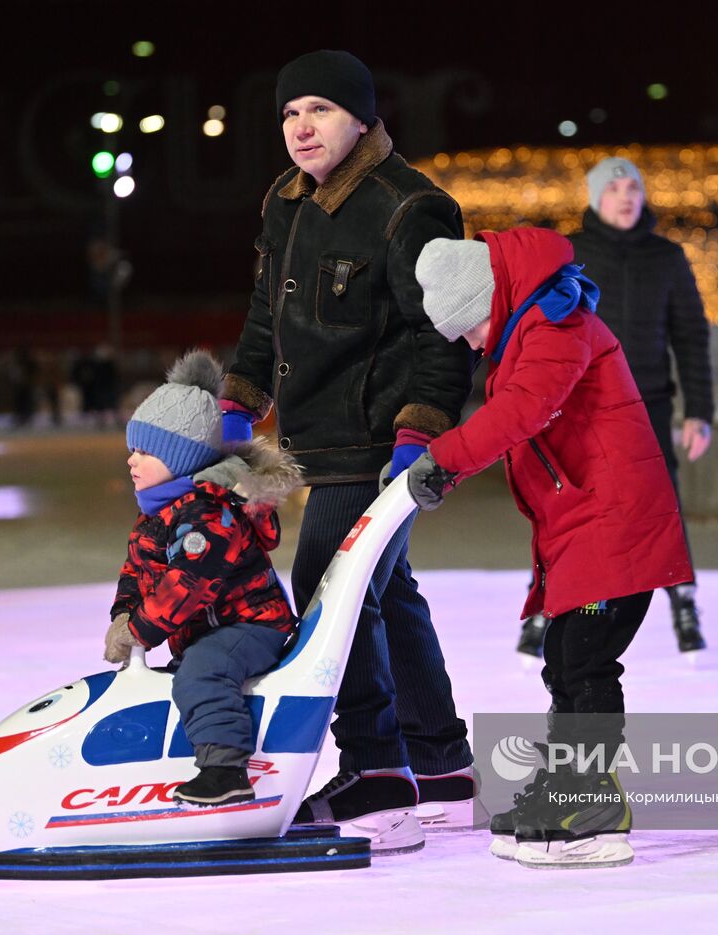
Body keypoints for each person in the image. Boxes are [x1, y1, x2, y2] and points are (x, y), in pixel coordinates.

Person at [221, 50, 476, 852]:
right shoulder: (285, 201)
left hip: (373, 444)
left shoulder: (410, 207)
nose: (302, 127)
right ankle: (440, 766)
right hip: (313, 436)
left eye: (321, 110)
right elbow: (268, 312)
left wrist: (419, 432)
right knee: (385, 592)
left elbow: (444, 334)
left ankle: (377, 778)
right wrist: (240, 399)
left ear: (361, 118)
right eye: (290, 112)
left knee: (329, 588)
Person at [404, 226, 694, 869]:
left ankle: (593, 804)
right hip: (589, 526)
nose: (473, 345)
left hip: (613, 526)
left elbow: (522, 411)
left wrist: (444, 460)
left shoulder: (555, 325)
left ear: (491, 302)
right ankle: (568, 787)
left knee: (582, 660)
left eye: (470, 329)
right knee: (566, 660)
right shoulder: (535, 326)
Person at [104, 350, 303, 806]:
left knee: (203, 672)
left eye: (146, 451)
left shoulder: (207, 513)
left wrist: (140, 631)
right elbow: (137, 569)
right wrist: (123, 613)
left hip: (251, 625)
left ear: (182, 457)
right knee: (184, 675)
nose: (132, 461)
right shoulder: (158, 511)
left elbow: (188, 584)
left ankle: (225, 771)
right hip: (211, 629)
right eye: (131, 449)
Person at [538, 156, 714, 656]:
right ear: (596, 197)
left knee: (662, 506)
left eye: (633, 187)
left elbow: (691, 336)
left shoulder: (667, 257)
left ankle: (683, 600)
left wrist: (699, 411)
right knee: (576, 510)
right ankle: (558, 604)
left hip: (650, 404)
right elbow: (546, 332)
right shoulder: (569, 256)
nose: (625, 196)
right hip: (583, 407)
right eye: (614, 188)